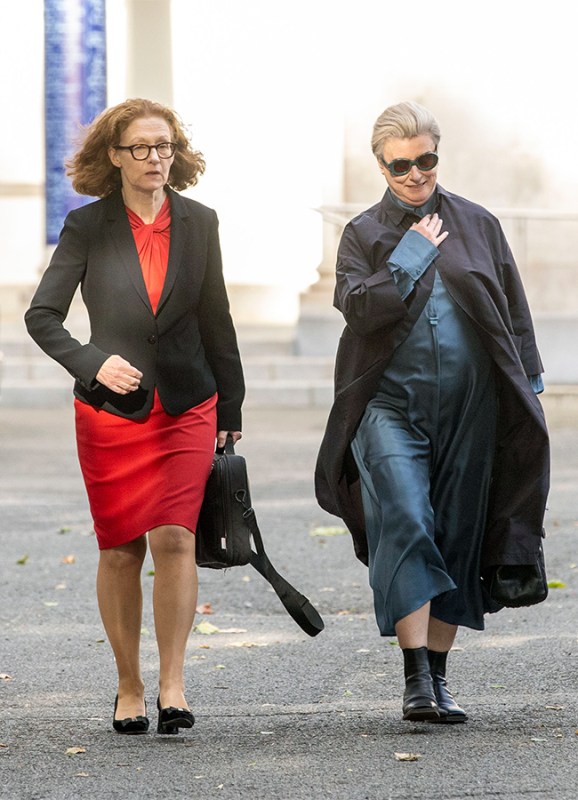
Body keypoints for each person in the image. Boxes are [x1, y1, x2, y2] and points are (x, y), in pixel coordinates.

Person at [315, 101, 549, 723]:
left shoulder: (478, 223)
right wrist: (408, 259)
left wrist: (528, 376)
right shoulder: (363, 233)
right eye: (401, 165)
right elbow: (359, 308)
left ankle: (438, 680)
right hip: (388, 403)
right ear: (382, 166)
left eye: (427, 160)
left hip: (473, 406)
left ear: (437, 156)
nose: (416, 174)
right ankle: (414, 674)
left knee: (457, 531)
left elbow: (512, 306)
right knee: (407, 514)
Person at [25, 98, 245, 735]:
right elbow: (43, 316)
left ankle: (173, 683)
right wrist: (91, 362)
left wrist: (230, 406)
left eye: (166, 146)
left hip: (186, 403)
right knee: (120, 547)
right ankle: (129, 685)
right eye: (143, 148)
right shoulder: (87, 226)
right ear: (114, 156)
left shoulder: (200, 222)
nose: (156, 158)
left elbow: (217, 319)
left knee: (175, 537)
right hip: (113, 413)